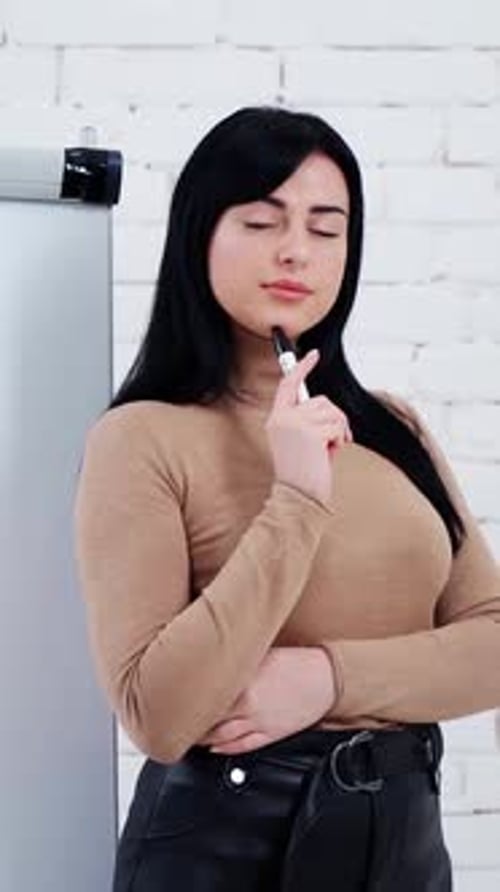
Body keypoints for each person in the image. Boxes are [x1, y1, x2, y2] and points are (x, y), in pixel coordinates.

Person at [73, 106, 500, 891]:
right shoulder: (144, 437)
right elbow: (160, 713)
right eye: (263, 220)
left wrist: (328, 680)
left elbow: (495, 643)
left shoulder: (393, 426)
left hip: (403, 842)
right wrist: (297, 496)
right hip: (224, 847)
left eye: (326, 228)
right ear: (201, 233)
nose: (296, 250)